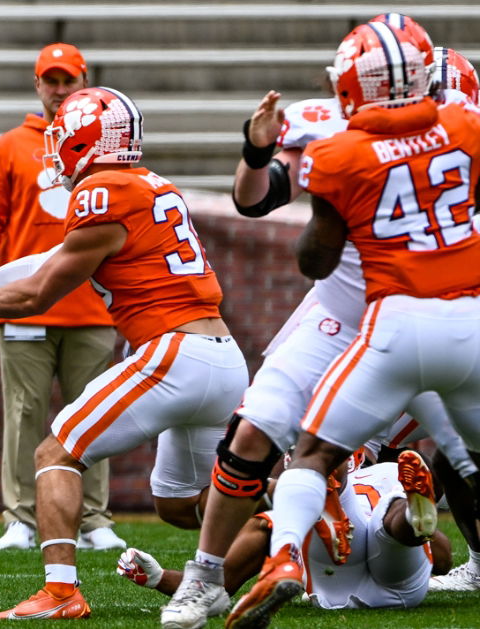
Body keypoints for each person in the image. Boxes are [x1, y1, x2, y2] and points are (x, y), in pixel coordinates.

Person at [161, 15, 479, 629]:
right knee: (256, 438)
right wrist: (258, 151)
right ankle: (207, 580)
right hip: (352, 316)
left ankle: (283, 557)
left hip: (400, 318)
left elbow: (312, 242)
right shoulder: (454, 131)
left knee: (332, 454)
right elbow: (255, 198)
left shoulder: (371, 139)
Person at [0, 86, 248, 620]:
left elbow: (37, 294)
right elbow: (51, 259)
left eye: (62, 137)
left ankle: (61, 591)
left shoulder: (102, 192)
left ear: (87, 141)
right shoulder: (149, 184)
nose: (55, 147)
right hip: (223, 359)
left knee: (54, 454)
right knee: (183, 505)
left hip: (173, 354)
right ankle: (300, 534)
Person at [0, 43, 122, 553]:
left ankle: (94, 517)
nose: (59, 90)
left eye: (68, 80)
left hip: (94, 303)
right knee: (24, 415)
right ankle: (21, 517)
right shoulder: (12, 144)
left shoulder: (108, 141)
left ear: (84, 82)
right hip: (24, 303)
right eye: (50, 80)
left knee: (95, 415)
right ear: (37, 85)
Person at [121, 451, 449, 612]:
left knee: (382, 523)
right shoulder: (393, 472)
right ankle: (405, 519)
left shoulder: (389, 473)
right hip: (400, 587)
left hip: (336, 589)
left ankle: (393, 516)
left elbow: (219, 587)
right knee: (389, 524)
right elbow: (444, 560)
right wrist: (158, 576)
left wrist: (158, 578)